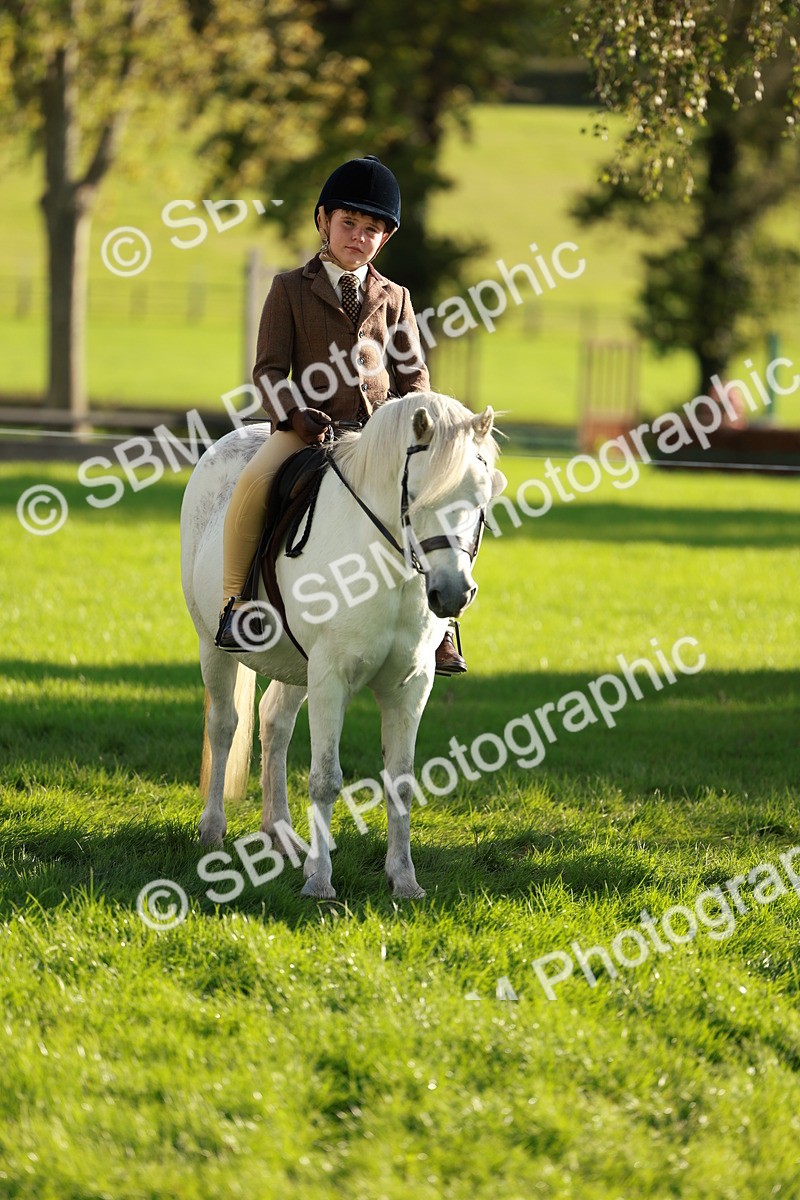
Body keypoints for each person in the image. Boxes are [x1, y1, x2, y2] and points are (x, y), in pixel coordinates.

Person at [215, 154, 467, 674]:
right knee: (254, 484)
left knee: (438, 500)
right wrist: (292, 414)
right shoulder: (288, 288)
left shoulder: (395, 299)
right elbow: (266, 372)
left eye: (370, 229)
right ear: (323, 221)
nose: (357, 236)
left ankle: (444, 629)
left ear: (385, 239)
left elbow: (413, 378)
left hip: (380, 438)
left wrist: (420, 427)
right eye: (348, 223)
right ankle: (235, 603)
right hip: (310, 431)